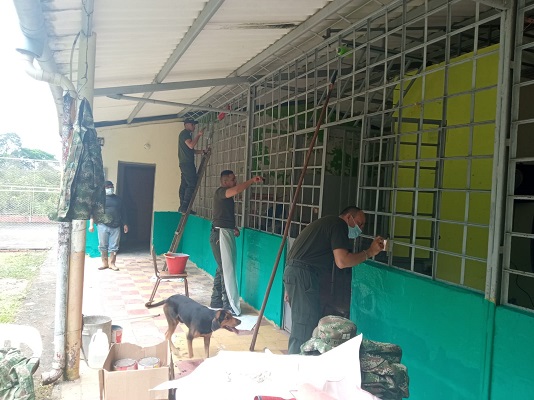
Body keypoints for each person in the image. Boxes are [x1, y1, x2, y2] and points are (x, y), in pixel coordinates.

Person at [283, 206, 385, 354]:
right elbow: (342, 261)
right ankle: (296, 363)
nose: (361, 229)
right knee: (304, 325)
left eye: (363, 225)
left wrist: (290, 286)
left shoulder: (326, 224)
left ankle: (301, 360)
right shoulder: (339, 225)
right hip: (303, 275)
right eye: (359, 223)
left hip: (296, 273)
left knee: (304, 323)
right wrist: (370, 252)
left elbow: (296, 255)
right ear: (348, 217)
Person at [209, 170, 264, 316]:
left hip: (223, 232)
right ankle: (229, 305)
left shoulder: (225, 197)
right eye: (233, 179)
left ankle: (216, 300)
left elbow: (223, 215)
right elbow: (237, 190)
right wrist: (251, 181)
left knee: (222, 267)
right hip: (219, 235)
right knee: (226, 269)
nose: (235, 182)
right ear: (225, 182)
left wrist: (233, 227)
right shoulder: (221, 192)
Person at [89, 180, 129, 271]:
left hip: (116, 226)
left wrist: (125, 224)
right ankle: (104, 263)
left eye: (111, 187)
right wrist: (91, 225)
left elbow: (123, 212)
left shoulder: (118, 199)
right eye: (107, 187)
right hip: (102, 225)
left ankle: (112, 263)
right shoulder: (99, 199)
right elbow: (93, 212)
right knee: (103, 245)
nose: (109, 189)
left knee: (114, 246)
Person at [178, 117, 206, 214]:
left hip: (184, 163)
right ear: (186, 125)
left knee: (184, 185)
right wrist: (199, 135)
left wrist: (202, 152)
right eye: (192, 124)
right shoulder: (185, 134)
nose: (194, 126)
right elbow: (191, 145)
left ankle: (182, 206)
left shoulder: (184, 134)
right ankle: (185, 207)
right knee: (192, 184)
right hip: (187, 164)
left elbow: (191, 150)